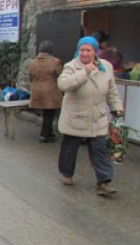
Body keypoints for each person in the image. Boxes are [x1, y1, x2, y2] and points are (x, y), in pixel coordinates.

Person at [57, 36, 123, 196]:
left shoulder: (106, 67)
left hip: (97, 117)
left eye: (89, 50)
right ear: (78, 51)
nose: (85, 53)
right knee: (69, 149)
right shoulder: (71, 66)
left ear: (95, 52)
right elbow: (64, 85)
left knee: (100, 150)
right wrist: (84, 72)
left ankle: (104, 182)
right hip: (75, 116)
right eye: (82, 50)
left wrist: (116, 107)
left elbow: (112, 90)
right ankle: (67, 174)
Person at [27, 41, 63, 143]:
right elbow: (61, 76)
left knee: (46, 113)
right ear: (51, 50)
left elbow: (30, 77)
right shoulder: (56, 62)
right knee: (50, 113)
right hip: (50, 91)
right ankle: (45, 135)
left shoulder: (32, 62)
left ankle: (48, 132)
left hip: (37, 91)